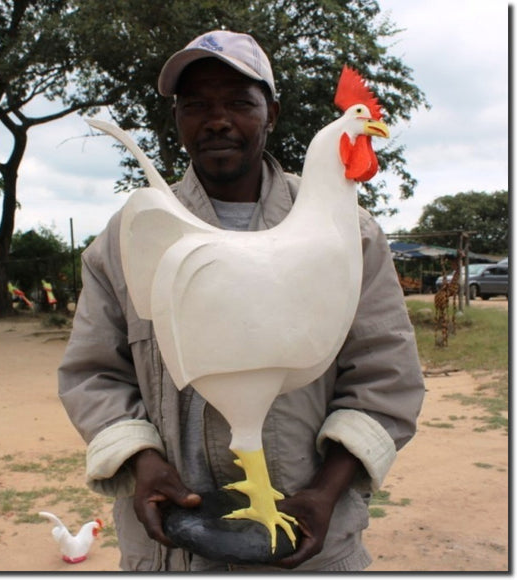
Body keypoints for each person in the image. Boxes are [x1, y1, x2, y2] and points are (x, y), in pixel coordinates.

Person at [58, 30, 425, 572]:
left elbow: (385, 377)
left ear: (270, 112)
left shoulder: (355, 235)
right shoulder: (123, 239)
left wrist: (326, 492)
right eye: (196, 105)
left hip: (311, 541)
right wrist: (143, 461)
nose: (217, 119)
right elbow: (93, 374)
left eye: (238, 102)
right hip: (169, 548)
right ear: (177, 119)